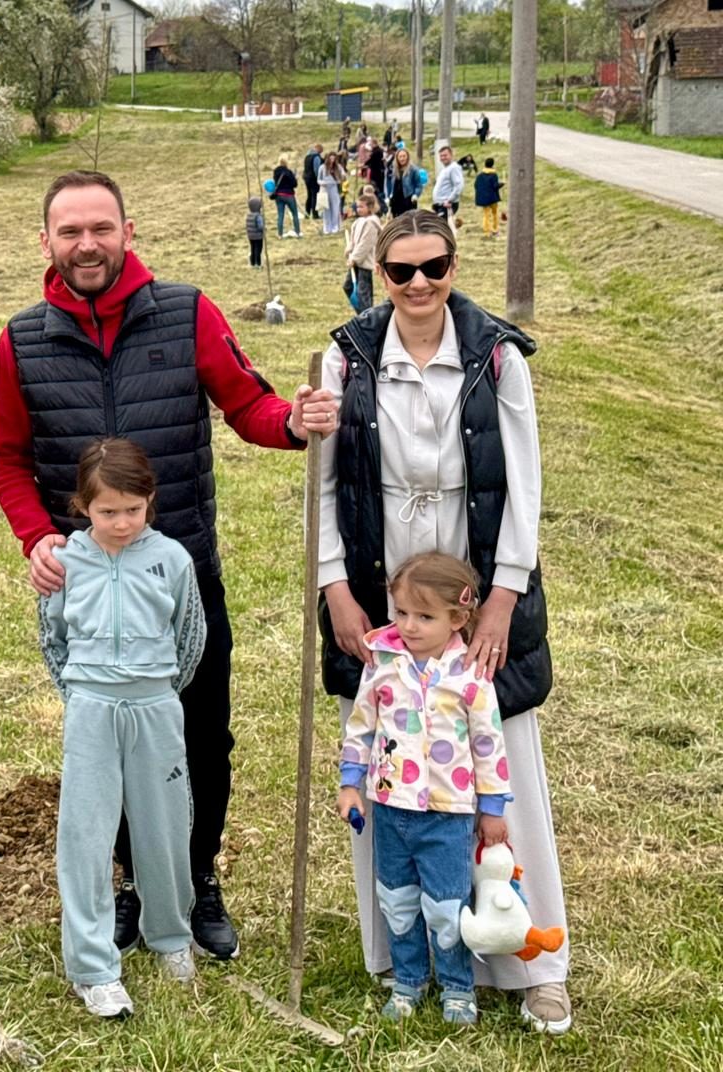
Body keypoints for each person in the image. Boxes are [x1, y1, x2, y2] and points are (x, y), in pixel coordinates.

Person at [0, 170, 340, 963]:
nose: (87, 244)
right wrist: (38, 538)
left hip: (180, 580)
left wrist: (293, 422)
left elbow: (248, 405)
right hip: (88, 590)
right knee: (104, 739)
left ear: (127, 230)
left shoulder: (187, 314)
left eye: (100, 228)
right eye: (70, 231)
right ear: (45, 241)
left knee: (201, 737)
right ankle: (128, 882)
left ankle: (191, 877)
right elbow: (6, 456)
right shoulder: (23, 340)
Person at [318, 209, 573, 1035]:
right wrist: (335, 587)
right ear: (376, 275)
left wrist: (504, 593)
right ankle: (406, 952)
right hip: (381, 583)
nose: (421, 284)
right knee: (389, 749)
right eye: (402, 271)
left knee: (501, 768)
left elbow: (524, 484)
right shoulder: (347, 356)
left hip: (473, 584)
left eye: (436, 267)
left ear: (455, 266)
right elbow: (326, 484)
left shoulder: (497, 357)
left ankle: (532, 963)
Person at [39, 438, 206, 1018]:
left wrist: (155, 693)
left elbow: (190, 636)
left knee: (163, 826)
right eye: (108, 511)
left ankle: (170, 936)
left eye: (133, 510)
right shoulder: (63, 562)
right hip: (91, 708)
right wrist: (85, 694)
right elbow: (52, 639)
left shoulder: (172, 560)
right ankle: (93, 966)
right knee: (85, 835)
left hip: (156, 706)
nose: (121, 522)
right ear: (83, 506)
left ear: (150, 501)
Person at [337, 551, 511, 1025]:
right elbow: (360, 728)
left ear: (458, 618)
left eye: (425, 616)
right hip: (391, 809)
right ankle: (409, 979)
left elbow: (488, 743)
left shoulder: (470, 674)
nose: (410, 626)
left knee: (447, 905)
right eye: (402, 613)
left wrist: (493, 808)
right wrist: (350, 783)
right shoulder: (383, 662)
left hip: (449, 814)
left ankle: (458, 986)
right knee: (397, 900)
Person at [344, 190, 382, 310]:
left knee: (363, 294)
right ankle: (361, 313)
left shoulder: (371, 223)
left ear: (370, 207)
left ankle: (367, 317)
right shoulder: (358, 222)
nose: (358, 209)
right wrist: (349, 249)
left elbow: (365, 244)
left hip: (364, 263)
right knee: (348, 287)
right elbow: (354, 240)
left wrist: (354, 258)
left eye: (361, 206)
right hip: (355, 261)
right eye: (357, 206)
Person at [384, 147, 424, 217]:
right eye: (400, 157)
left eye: (404, 156)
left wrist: (416, 194)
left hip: (408, 200)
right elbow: (388, 183)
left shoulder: (413, 169)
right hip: (396, 200)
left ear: (407, 157)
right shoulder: (393, 169)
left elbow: (418, 185)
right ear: (397, 158)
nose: (402, 158)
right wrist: (388, 196)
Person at [431, 143, 464, 225]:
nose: (443, 158)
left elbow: (458, 186)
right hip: (440, 204)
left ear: (451, 155)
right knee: (441, 227)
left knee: (443, 228)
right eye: (441, 156)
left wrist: (450, 200)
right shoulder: (445, 169)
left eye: (445, 155)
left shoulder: (454, 168)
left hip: (447, 205)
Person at [272, 156, 301, 237]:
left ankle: (280, 234)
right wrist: (295, 178)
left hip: (279, 195)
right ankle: (297, 232)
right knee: (294, 214)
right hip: (289, 195)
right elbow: (294, 184)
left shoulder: (276, 171)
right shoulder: (288, 172)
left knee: (280, 215)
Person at [475, 158, 504, 239]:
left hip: (484, 199)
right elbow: (495, 186)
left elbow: (476, 185)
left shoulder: (480, 175)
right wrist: (501, 184)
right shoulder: (494, 175)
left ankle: (487, 229)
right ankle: (495, 228)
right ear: (492, 165)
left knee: (486, 214)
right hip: (492, 198)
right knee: (494, 213)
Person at [319, 152, 345, 236]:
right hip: (325, 189)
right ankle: (327, 227)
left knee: (335, 207)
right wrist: (323, 183)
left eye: (334, 159)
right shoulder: (322, 167)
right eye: (331, 159)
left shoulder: (338, 167)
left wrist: (340, 178)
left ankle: (335, 226)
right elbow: (318, 179)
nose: (332, 160)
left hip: (334, 188)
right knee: (326, 209)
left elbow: (343, 176)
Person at [303, 143, 323, 221]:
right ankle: (315, 214)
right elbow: (316, 169)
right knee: (315, 196)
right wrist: (319, 178)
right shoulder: (316, 157)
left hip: (306, 178)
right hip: (313, 179)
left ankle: (307, 213)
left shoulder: (307, 156)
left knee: (309, 196)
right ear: (318, 149)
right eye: (321, 151)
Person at [245, 194, 265, 269]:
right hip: (258, 236)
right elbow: (260, 226)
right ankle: (258, 263)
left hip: (251, 236)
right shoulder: (258, 216)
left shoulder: (248, 215)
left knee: (252, 248)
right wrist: (264, 229)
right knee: (258, 249)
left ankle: (252, 263)